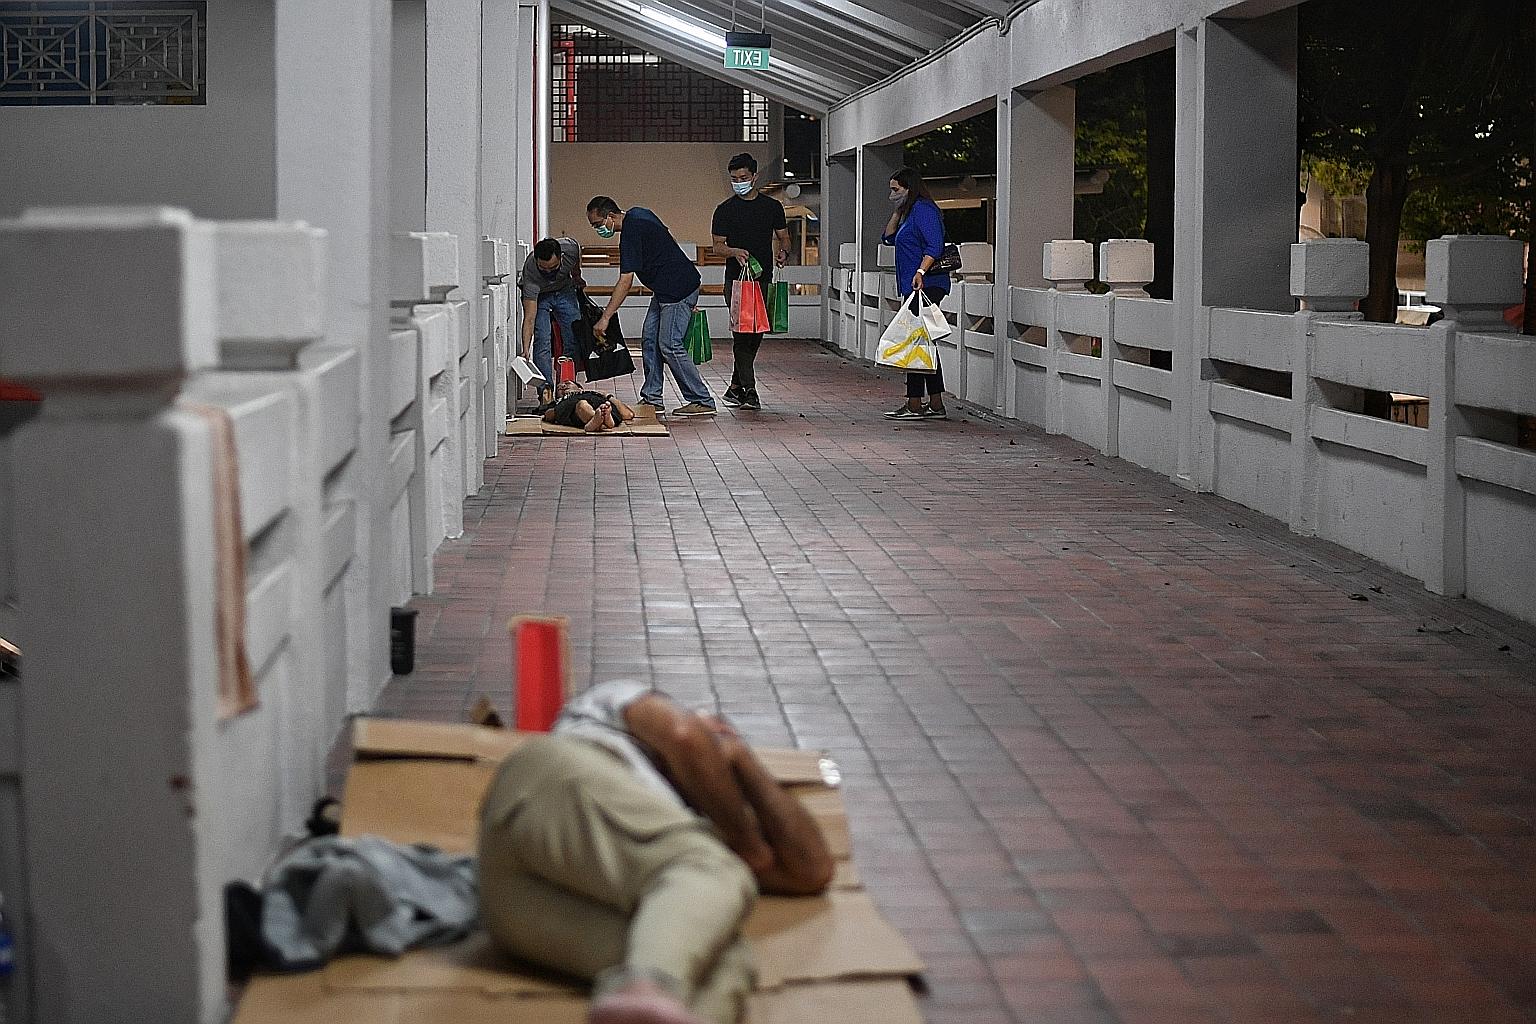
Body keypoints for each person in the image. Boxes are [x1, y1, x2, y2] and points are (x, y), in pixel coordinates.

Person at [477, 681, 835, 1024]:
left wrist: (743, 759)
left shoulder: (687, 830)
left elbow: (811, 870)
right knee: (712, 867)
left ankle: (652, 995)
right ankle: (646, 988)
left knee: (727, 960)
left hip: (515, 907)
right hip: (544, 793)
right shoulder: (613, 709)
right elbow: (682, 733)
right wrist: (748, 844)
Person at [587, 197, 716, 419]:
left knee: (669, 344)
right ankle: (652, 398)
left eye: (598, 224)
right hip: (667, 290)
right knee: (650, 338)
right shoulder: (639, 213)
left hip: (677, 291)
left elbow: (626, 280)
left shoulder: (630, 234)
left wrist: (605, 317)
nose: (598, 229)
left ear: (610, 216)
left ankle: (701, 400)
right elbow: (669, 238)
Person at [711, 153, 789, 412]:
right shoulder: (724, 210)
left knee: (754, 335)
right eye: (734, 179)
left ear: (754, 176)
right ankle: (750, 389)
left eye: (743, 178)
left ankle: (735, 387)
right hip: (736, 282)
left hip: (762, 279)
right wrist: (734, 252)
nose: (739, 182)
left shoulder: (772, 207)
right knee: (741, 333)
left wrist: (783, 252)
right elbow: (717, 247)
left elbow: (784, 238)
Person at [880, 167, 951, 421]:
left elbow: (935, 245)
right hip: (915, 286)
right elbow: (888, 237)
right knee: (925, 342)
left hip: (927, 284)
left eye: (896, 190)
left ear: (909, 188)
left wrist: (921, 271)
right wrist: (898, 210)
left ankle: (914, 403)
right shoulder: (910, 213)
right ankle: (935, 402)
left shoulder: (924, 210)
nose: (892, 195)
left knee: (915, 341)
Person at [519, 236, 586, 401]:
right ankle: (545, 392)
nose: (548, 272)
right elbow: (529, 318)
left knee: (573, 335)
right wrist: (525, 348)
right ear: (536, 261)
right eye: (544, 268)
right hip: (541, 295)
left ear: (561, 258)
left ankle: (566, 387)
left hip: (564, 290)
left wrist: (577, 275)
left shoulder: (570, 250)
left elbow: (577, 251)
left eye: (553, 267)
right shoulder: (531, 273)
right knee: (542, 339)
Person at [540, 380, 636, 434]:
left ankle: (600, 420)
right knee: (582, 404)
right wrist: (554, 409)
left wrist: (608, 396)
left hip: (600, 403)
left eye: (567, 383)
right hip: (575, 409)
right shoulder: (560, 402)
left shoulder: (595, 394)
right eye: (559, 388)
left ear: (580, 388)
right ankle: (604, 420)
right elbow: (548, 415)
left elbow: (628, 414)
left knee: (605, 406)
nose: (563, 386)